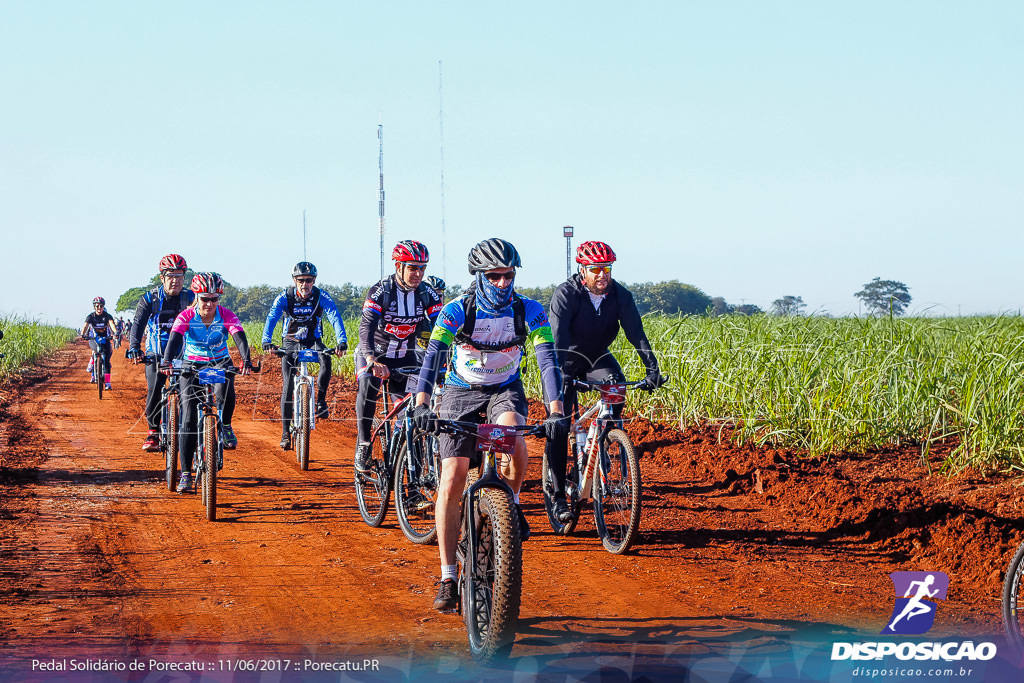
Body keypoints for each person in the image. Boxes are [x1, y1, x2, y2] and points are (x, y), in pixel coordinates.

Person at [410, 238, 568, 612]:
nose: (502, 282)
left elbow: (547, 360)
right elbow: (433, 356)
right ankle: (448, 576)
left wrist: (557, 410)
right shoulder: (456, 310)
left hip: (504, 389)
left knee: (514, 439)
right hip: (460, 391)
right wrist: (421, 403)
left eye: (508, 275)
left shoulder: (527, 310)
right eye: (494, 276)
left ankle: (510, 504)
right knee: (453, 477)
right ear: (479, 276)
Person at [543, 240, 667, 522]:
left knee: (617, 386)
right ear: (582, 269)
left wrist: (652, 369)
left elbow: (636, 332)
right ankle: (559, 495)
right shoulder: (566, 294)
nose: (603, 275)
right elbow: (558, 340)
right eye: (596, 269)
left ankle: (605, 442)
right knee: (559, 424)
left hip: (596, 357)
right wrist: (561, 375)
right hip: (564, 359)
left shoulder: (620, 295)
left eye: (607, 268)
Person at [354, 240, 443, 472]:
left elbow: (443, 328)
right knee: (367, 386)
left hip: (405, 357)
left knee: (411, 413)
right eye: (412, 267)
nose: (418, 273)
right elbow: (366, 329)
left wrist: (447, 360)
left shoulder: (426, 292)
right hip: (375, 353)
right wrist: (372, 360)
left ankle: (412, 477)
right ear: (398, 266)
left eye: (422, 268)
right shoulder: (381, 291)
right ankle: (364, 443)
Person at [161, 272, 254, 493]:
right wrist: (166, 361)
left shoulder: (227, 315)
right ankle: (185, 473)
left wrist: (246, 360)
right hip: (192, 366)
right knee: (188, 419)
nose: (209, 304)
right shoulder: (185, 316)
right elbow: (175, 339)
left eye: (214, 299)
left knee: (225, 393)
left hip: (219, 363)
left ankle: (227, 425)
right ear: (196, 297)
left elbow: (239, 337)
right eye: (205, 299)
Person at [261, 262, 348, 450]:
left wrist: (342, 341)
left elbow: (334, 316)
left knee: (326, 358)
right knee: (288, 386)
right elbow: (272, 317)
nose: (305, 284)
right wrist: (266, 340)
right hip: (290, 342)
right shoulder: (284, 297)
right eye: (301, 280)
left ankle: (321, 402)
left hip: (312, 340)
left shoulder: (320, 296)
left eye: (309, 280)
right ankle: (285, 433)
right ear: (294, 280)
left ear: (314, 280)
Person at [127, 254, 196, 452]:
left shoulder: (190, 298)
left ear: (185, 277)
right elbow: (138, 324)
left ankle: (189, 430)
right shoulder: (151, 298)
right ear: (162, 277)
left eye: (179, 275)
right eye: (170, 276)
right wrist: (134, 348)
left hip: (182, 353)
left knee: (188, 392)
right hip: (155, 352)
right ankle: (153, 432)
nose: (175, 280)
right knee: (154, 388)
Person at [80, 296, 116, 390]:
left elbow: (112, 325)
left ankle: (108, 383)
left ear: (103, 306)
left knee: (107, 361)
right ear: (94, 307)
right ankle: (92, 363)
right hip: (93, 338)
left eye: (101, 306)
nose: (99, 308)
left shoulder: (107, 316)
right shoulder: (91, 317)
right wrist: (83, 334)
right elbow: (85, 326)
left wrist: (115, 333)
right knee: (95, 350)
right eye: (97, 306)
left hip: (105, 338)